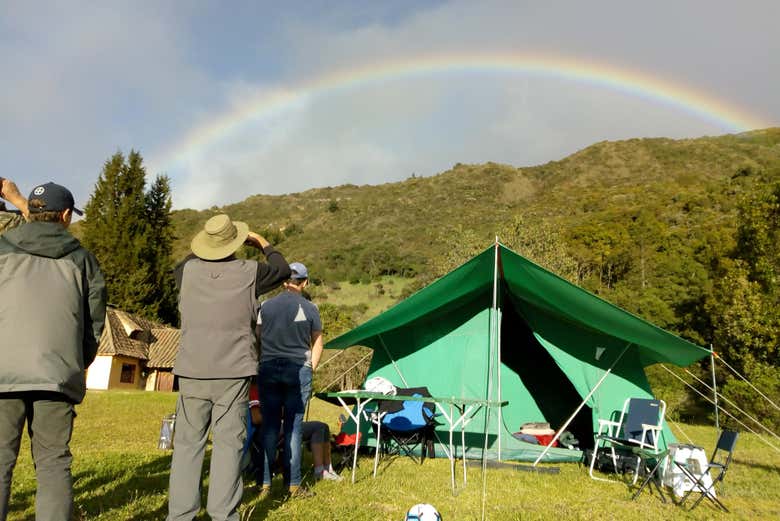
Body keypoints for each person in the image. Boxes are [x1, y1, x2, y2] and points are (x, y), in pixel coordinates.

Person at [167, 213, 290, 521]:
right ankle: (223, 515)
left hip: (193, 369)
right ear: (236, 242)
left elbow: (184, 262)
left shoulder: (187, 272)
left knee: (187, 446)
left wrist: (207, 244)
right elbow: (282, 269)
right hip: (233, 372)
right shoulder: (250, 272)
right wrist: (262, 242)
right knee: (227, 445)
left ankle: (180, 515)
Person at [0, 182, 106, 521]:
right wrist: (76, 362)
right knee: (53, 462)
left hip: (2, 374)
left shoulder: (2, 250)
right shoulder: (83, 260)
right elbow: (94, 326)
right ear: (64, 216)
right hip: (58, 376)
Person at [257, 262, 324, 498]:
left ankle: (264, 483)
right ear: (305, 282)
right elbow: (317, 341)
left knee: (270, 426)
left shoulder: (265, 306)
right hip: (298, 369)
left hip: (268, 368)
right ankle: (293, 485)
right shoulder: (311, 307)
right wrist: (310, 368)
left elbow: (258, 338)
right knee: (294, 428)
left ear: (284, 281)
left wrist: (262, 361)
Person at [246, 384, 342, 487]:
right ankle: (320, 472)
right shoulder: (254, 390)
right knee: (319, 428)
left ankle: (328, 468)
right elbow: (256, 418)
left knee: (324, 427)